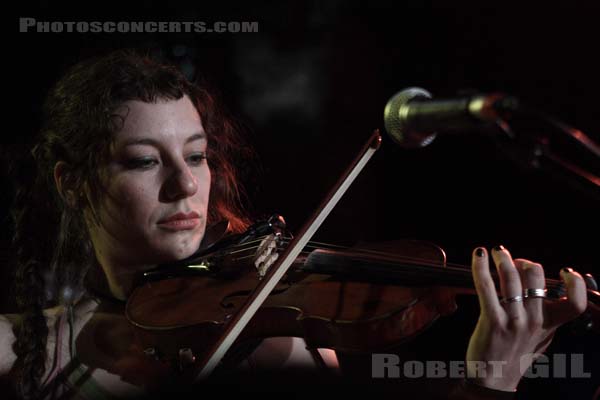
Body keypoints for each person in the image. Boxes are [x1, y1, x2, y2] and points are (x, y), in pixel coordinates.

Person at [0, 49, 589, 400]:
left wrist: (490, 381)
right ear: (71, 183)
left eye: (198, 156)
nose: (185, 185)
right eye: (145, 160)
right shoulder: (26, 350)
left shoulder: (278, 347)